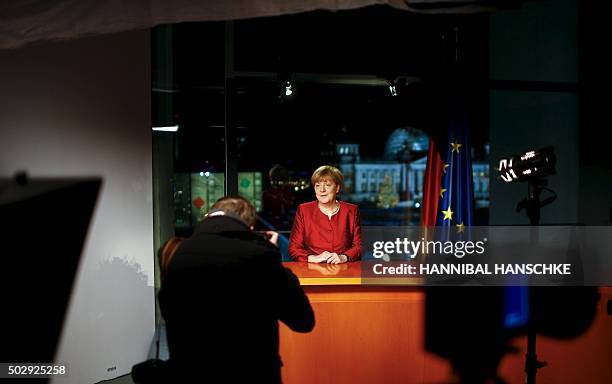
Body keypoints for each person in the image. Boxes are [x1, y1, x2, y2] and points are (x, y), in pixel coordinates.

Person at [158, 196, 315, 383]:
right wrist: (270, 252)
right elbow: (303, 320)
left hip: (190, 373)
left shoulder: (177, 254)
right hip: (251, 373)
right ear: (249, 228)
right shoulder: (261, 257)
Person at [288, 165, 362, 263]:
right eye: (317, 185)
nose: (321, 190)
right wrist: (313, 258)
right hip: (312, 270)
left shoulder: (351, 210)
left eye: (327, 185)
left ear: (337, 188)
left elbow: (359, 246)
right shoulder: (304, 210)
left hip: (344, 270)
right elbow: (294, 248)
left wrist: (343, 257)